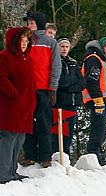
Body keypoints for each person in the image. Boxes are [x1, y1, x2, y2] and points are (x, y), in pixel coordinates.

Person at [21, 11, 61, 168]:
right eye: (28, 23)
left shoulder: (50, 42)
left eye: (32, 22)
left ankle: (45, 157)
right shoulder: (24, 41)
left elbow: (56, 67)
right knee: (27, 123)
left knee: (44, 123)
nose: (29, 25)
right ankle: (29, 155)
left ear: (39, 24)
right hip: (26, 89)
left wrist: (53, 88)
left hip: (44, 89)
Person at [0, 27, 36, 183]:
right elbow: (2, 78)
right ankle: (3, 173)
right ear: (14, 41)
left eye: (27, 40)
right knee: (8, 138)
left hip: (25, 107)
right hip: (10, 106)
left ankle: (12, 171)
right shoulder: (4, 57)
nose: (24, 43)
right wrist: (14, 94)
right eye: (21, 40)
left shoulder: (27, 58)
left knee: (20, 138)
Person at [81, 37, 106, 165]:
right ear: (101, 46)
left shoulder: (103, 61)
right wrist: (98, 100)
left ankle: (98, 156)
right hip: (98, 101)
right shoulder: (93, 59)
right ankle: (95, 157)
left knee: (102, 131)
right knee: (98, 130)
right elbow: (91, 81)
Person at [52, 37, 84, 155]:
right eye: (62, 46)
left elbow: (82, 82)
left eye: (66, 47)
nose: (64, 49)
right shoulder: (55, 61)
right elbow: (60, 81)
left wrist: (71, 87)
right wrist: (71, 82)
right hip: (59, 102)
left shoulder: (73, 63)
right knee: (58, 132)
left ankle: (66, 156)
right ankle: (55, 155)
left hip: (72, 102)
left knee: (69, 133)